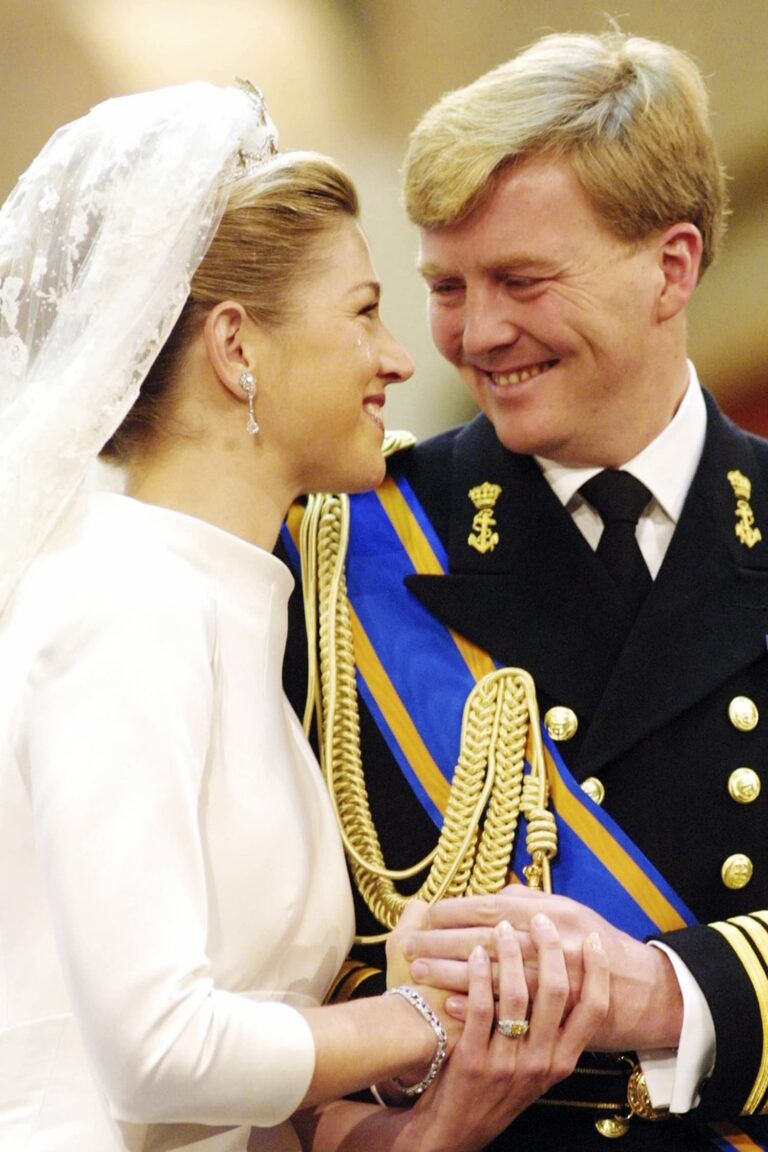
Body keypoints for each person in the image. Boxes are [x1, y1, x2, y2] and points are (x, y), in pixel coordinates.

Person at [0, 81, 609, 1152]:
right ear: (238, 349)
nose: (399, 358)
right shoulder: (124, 601)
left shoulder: (224, 605)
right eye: (364, 310)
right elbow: (154, 1052)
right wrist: (421, 1020)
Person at [282, 27, 768, 1152]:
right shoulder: (338, 547)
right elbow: (256, 970)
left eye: (523, 281)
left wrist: (662, 994)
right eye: (446, 287)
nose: (479, 334)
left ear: (673, 267)